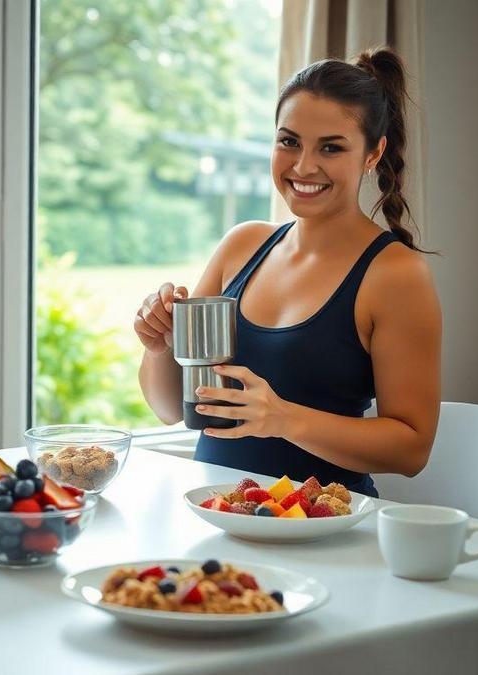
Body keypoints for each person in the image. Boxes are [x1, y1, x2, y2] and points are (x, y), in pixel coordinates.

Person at [133, 47, 441, 497]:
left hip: (324, 529)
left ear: (373, 155)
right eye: (288, 141)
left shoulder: (395, 274)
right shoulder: (241, 245)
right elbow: (170, 409)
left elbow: (411, 449)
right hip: (217, 515)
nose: (303, 166)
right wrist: (159, 345)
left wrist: (283, 418)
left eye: (331, 148)